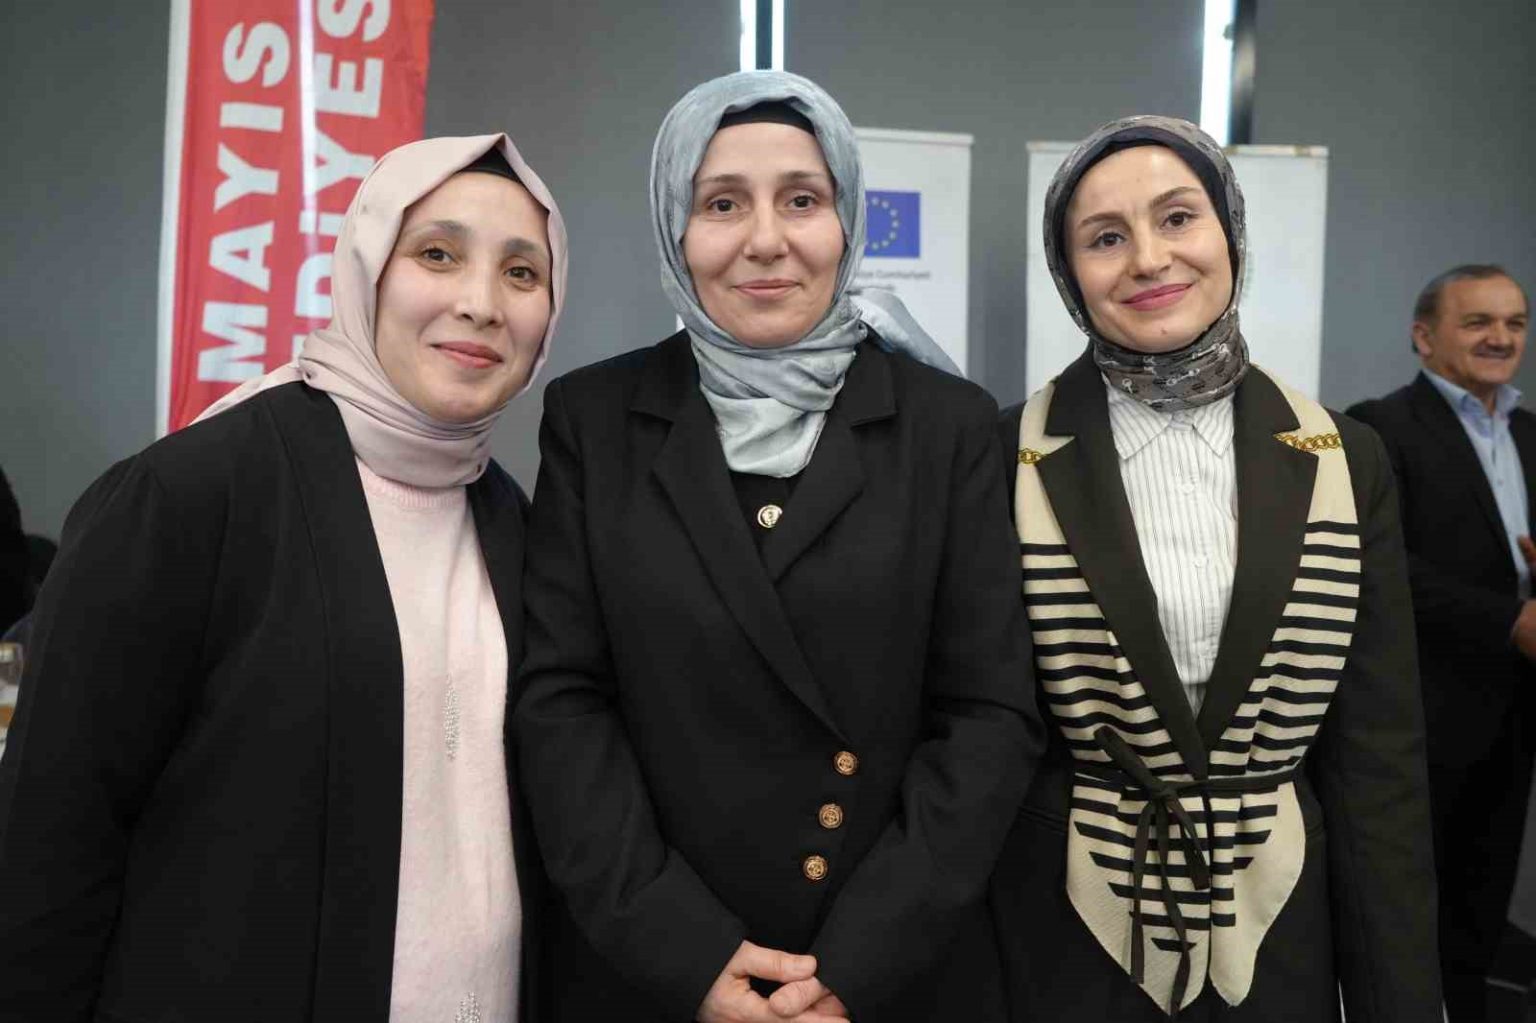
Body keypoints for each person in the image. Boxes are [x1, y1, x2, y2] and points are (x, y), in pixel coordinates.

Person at [512, 71, 1043, 1023]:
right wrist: (682, 949)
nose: (766, 239)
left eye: (802, 199)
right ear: (675, 229)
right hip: (652, 970)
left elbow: (989, 715)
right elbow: (562, 703)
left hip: (886, 974)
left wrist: (854, 963)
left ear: (847, 220)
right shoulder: (593, 419)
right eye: (722, 203)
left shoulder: (948, 425)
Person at [0, 134, 566, 1023]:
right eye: (437, 254)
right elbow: (50, 845)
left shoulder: (516, 522)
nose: (480, 302)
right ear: (367, 268)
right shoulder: (191, 494)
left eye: (522, 272)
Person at [990, 116, 1441, 1020]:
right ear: (1068, 272)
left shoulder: (1343, 456)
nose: (1149, 259)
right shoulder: (1004, 455)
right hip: (1067, 928)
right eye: (1105, 237)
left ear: (1229, 233)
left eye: (1178, 218)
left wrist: (1396, 998)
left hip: (1279, 924)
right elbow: (982, 732)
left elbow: (1377, 759)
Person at [1347, 264, 1532, 1022]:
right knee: (1406, 918)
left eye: (1515, 322)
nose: (1501, 338)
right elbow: (1383, 565)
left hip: (1512, 714)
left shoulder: (1529, 431)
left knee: (1481, 914)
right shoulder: (1377, 428)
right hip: (1418, 718)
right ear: (1424, 337)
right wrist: (1509, 621)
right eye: (1478, 321)